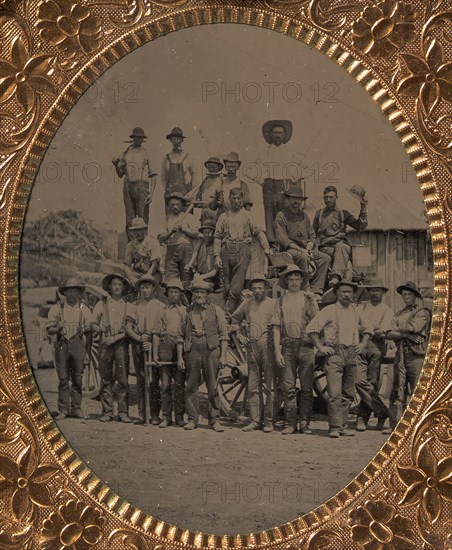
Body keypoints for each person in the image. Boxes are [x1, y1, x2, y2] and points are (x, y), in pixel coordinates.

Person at [307, 280, 371, 438]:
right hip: (335, 354)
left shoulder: (356, 311)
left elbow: (369, 328)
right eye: (342, 292)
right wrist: (320, 347)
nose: (346, 295)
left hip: (352, 354)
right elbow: (311, 328)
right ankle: (334, 427)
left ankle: (343, 426)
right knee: (334, 393)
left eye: (349, 292)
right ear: (337, 294)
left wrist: (363, 344)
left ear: (353, 294)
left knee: (348, 393)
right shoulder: (329, 310)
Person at [272, 265, 319, 435]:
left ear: (301, 280)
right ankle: (290, 422)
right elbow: (276, 327)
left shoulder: (307, 299)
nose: (294, 282)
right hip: (288, 347)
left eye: (296, 279)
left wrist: (313, 301)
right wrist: (278, 351)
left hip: (306, 346)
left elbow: (317, 320)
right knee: (288, 386)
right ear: (286, 281)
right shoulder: (281, 301)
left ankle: (305, 423)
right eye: (290, 279)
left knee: (307, 387)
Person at [214, 187, 271, 318]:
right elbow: (217, 236)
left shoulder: (248, 216)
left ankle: (227, 316)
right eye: (233, 198)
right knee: (227, 287)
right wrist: (216, 255)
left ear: (242, 200)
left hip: (243, 249)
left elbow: (258, 232)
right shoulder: (223, 217)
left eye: (239, 198)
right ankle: (238, 315)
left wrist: (266, 246)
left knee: (236, 287)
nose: (236, 201)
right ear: (229, 199)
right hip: (226, 249)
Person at [230, 274, 277, 432]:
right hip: (252, 348)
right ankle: (255, 420)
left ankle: (269, 421)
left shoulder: (273, 304)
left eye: (260, 288)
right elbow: (235, 320)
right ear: (251, 289)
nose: (257, 291)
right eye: (255, 288)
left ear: (266, 289)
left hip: (268, 348)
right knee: (253, 386)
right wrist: (239, 334)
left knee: (270, 387)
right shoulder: (247, 304)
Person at [180, 280, 228, 432]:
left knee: (212, 385)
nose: (199, 295)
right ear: (193, 295)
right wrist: (182, 355)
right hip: (193, 349)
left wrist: (223, 356)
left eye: (202, 292)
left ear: (207, 295)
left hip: (211, 349)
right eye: (196, 292)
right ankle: (192, 419)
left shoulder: (216, 310)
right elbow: (181, 335)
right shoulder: (187, 311)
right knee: (191, 385)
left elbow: (224, 335)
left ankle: (215, 420)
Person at [383, 281, 430, 435]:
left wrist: (401, 331)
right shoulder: (398, 314)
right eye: (404, 294)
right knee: (397, 390)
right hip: (400, 355)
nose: (407, 297)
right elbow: (389, 333)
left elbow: (415, 327)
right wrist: (405, 334)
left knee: (417, 391)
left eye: (410, 294)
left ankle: (419, 426)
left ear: (416, 296)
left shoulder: (422, 312)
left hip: (416, 356)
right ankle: (395, 425)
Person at [46, 278, 93, 420]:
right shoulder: (57, 308)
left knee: (78, 379)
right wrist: (58, 327)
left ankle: (77, 408)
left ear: (79, 293)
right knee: (63, 378)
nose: (72, 293)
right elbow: (49, 329)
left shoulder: (84, 310)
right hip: (62, 345)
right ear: (64, 292)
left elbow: (89, 333)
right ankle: (64, 409)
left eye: (75, 290)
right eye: (69, 290)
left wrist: (87, 353)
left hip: (79, 346)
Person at [253, 120, 304, 246]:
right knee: (269, 213)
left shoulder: (291, 152)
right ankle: (272, 242)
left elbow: (306, 166)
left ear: (284, 135)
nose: (278, 135)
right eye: (275, 133)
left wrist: (294, 178)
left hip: (284, 185)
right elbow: (251, 168)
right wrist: (261, 181)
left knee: (285, 212)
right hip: (269, 185)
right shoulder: (264, 152)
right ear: (270, 135)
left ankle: (286, 242)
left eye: (280, 133)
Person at [275, 188, 331, 298]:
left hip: (307, 249)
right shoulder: (281, 216)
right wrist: (301, 250)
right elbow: (283, 239)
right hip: (290, 250)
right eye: (294, 198)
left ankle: (317, 290)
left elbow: (312, 235)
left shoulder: (304, 216)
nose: (296, 201)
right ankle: (306, 289)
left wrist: (310, 245)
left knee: (325, 258)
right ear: (289, 199)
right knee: (302, 257)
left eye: (299, 199)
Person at [92, 273, 132, 423]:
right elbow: (92, 323)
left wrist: (114, 338)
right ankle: (107, 411)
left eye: (119, 285)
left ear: (123, 288)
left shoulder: (128, 306)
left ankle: (123, 412)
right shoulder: (101, 304)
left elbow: (129, 329)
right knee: (106, 379)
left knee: (122, 379)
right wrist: (99, 328)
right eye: (114, 284)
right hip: (105, 345)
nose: (116, 287)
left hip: (121, 344)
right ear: (109, 286)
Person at [125, 275, 165, 424]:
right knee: (141, 378)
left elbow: (164, 327)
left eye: (148, 287)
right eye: (142, 288)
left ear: (153, 288)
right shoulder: (134, 305)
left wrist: (153, 341)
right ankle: (143, 413)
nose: (145, 290)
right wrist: (138, 338)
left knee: (154, 379)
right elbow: (128, 327)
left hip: (154, 342)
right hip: (139, 342)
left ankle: (155, 414)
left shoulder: (160, 306)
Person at [355, 278, 393, 431]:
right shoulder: (362, 308)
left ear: (383, 292)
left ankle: (361, 419)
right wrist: (372, 327)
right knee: (358, 380)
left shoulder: (387, 310)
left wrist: (366, 328)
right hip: (360, 347)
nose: (375, 293)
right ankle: (383, 411)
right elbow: (355, 325)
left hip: (376, 348)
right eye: (373, 290)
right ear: (369, 292)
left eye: (378, 290)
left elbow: (382, 332)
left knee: (372, 383)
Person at [313, 185, 368, 285]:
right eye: (326, 197)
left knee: (341, 247)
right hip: (325, 248)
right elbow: (312, 233)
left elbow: (361, 227)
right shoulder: (319, 214)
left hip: (341, 246)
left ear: (336, 198)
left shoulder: (344, 213)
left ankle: (335, 277)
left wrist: (363, 208)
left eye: (331, 197)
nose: (328, 200)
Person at [152, 279, 187, 428]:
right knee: (165, 385)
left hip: (180, 350)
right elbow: (155, 334)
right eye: (171, 292)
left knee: (179, 385)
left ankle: (179, 416)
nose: (173, 294)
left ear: (180, 294)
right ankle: (166, 417)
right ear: (167, 294)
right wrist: (155, 354)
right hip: (165, 349)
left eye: (176, 292)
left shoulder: (185, 311)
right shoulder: (162, 311)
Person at [112, 127, 157, 240]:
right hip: (128, 186)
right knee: (130, 219)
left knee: (143, 218)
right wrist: (115, 165)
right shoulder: (126, 152)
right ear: (133, 138)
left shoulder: (146, 153)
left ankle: (144, 248)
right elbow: (120, 174)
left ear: (143, 139)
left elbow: (154, 175)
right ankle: (131, 249)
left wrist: (151, 194)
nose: (138, 139)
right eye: (136, 137)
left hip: (142, 186)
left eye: (140, 137)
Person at [158, 192, 202, 288]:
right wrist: (170, 232)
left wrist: (184, 229)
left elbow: (197, 234)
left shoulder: (189, 217)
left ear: (182, 205)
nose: (175, 206)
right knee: (170, 277)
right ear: (168, 206)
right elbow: (160, 238)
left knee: (186, 278)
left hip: (186, 249)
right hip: (171, 249)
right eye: (172, 204)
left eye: (177, 204)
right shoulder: (165, 219)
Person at [161, 127, 196, 213]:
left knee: (187, 219)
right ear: (171, 141)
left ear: (182, 140)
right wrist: (168, 190)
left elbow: (195, 175)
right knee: (171, 219)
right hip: (171, 193)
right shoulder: (166, 158)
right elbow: (163, 176)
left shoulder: (188, 157)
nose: (176, 142)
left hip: (185, 193)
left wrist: (192, 192)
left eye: (178, 139)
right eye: (174, 139)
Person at [209, 152, 252, 217]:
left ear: (237, 167)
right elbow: (212, 207)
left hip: (238, 217)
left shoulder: (243, 185)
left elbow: (248, 207)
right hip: (222, 216)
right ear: (225, 167)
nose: (231, 169)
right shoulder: (219, 184)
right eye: (229, 166)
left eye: (233, 166)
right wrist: (217, 196)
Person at [124, 217, 162, 286]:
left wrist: (147, 277)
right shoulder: (130, 245)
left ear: (145, 230)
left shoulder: (153, 242)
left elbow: (155, 264)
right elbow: (126, 265)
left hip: (152, 272)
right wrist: (131, 278)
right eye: (135, 231)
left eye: (139, 230)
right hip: (137, 273)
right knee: (129, 285)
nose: (137, 233)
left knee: (148, 286)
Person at [184, 218, 221, 289]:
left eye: (209, 233)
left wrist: (202, 277)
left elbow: (216, 270)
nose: (207, 235)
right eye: (205, 232)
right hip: (199, 276)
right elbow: (195, 265)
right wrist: (191, 268)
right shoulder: (200, 245)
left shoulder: (217, 247)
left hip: (212, 279)